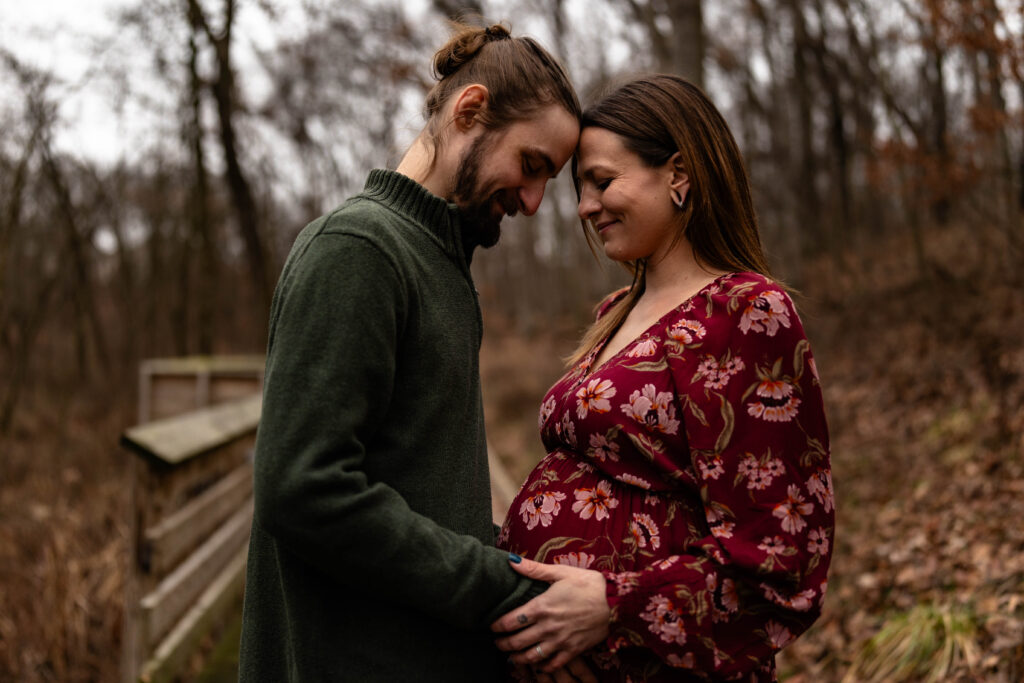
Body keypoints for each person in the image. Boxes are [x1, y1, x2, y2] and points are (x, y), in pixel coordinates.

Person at [238, 22, 586, 682]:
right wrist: (497, 583)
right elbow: (301, 487)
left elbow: (423, 481)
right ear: (471, 110)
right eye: (532, 164)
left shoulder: (443, 267)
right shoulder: (359, 250)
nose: (535, 201)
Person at [490, 75, 835, 682]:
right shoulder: (613, 312)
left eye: (602, 181)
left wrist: (614, 605)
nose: (584, 206)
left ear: (678, 174)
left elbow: (784, 556)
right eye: (580, 188)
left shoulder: (743, 311)